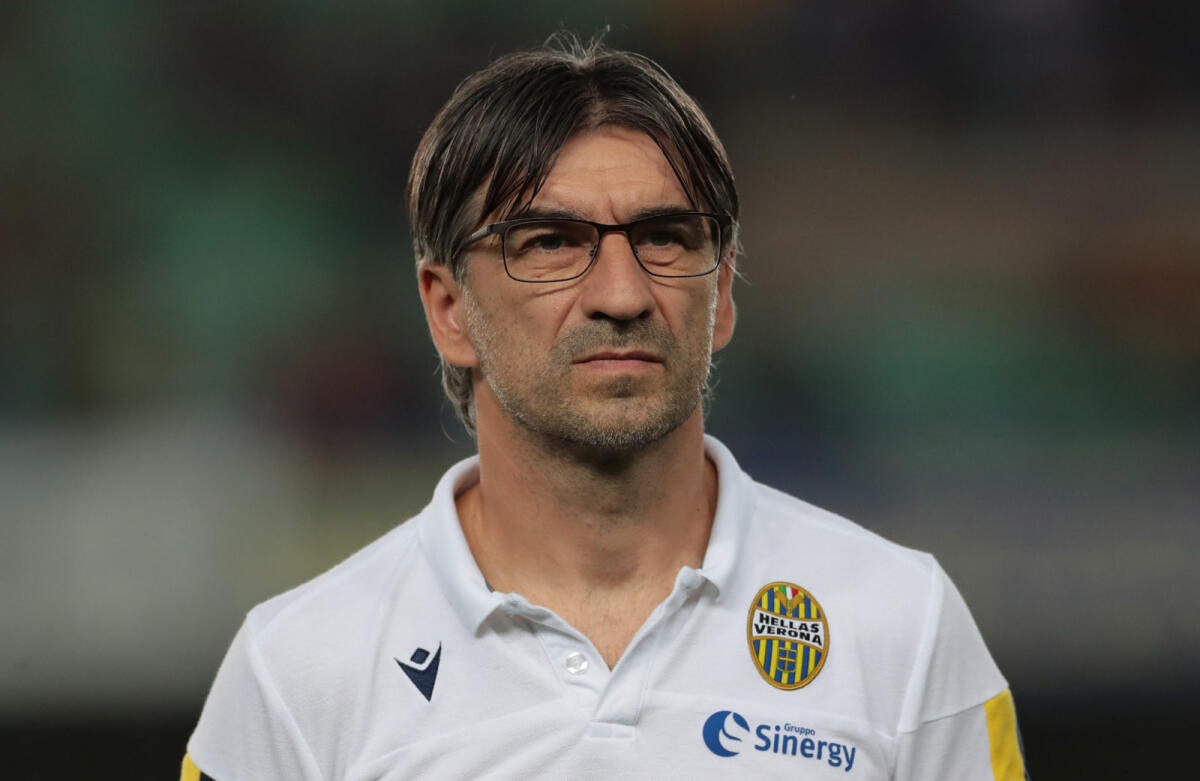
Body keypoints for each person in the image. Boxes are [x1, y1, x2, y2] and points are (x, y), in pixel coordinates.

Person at [181, 35, 1028, 780]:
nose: (621, 293)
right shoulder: (295, 671)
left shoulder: (902, 625)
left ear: (723, 292)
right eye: (550, 243)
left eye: (666, 237)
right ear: (448, 310)